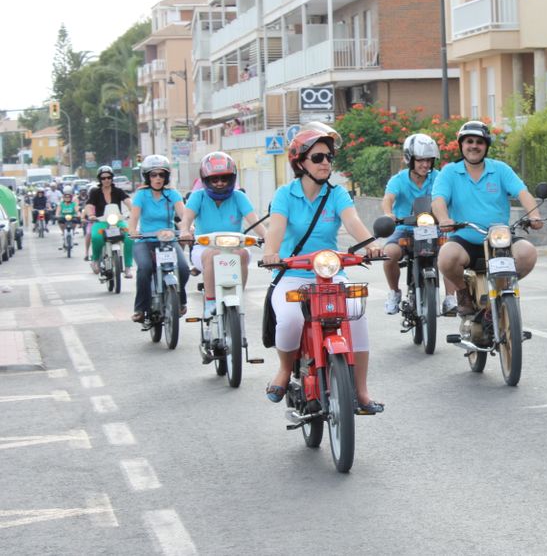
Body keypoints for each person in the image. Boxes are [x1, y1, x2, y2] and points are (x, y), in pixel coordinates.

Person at [261, 127, 385, 413]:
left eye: (329, 157)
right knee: (291, 319)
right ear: (300, 162)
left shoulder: (337, 193)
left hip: (330, 273)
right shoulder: (285, 195)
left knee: (356, 313)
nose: (325, 163)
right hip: (291, 273)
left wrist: (369, 245)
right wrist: (271, 253)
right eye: (317, 157)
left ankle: (362, 391)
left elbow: (352, 221)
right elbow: (276, 227)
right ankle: (283, 369)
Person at [432, 120, 544, 318]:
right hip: (465, 241)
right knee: (446, 257)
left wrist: (534, 215)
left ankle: (501, 292)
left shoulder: (500, 169)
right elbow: (438, 200)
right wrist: (443, 219)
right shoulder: (450, 172)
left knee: (528, 253)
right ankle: (462, 292)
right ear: (461, 145)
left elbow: (522, 193)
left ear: (486, 146)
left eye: (479, 142)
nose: (474, 145)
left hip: (499, 240)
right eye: (469, 141)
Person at [178, 152, 266, 320]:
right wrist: (184, 231)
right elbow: (187, 219)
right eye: (214, 179)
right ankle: (210, 302)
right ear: (206, 180)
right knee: (212, 255)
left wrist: (268, 238)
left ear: (232, 179)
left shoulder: (239, 196)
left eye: (224, 179)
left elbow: (254, 222)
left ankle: (238, 297)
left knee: (241, 254)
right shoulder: (198, 196)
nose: (219, 183)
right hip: (204, 247)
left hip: (235, 246)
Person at [380, 133, 440, 315]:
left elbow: (449, 196)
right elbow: (388, 198)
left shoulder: (439, 177)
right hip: (404, 229)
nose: (426, 165)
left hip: (433, 229)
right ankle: (394, 292)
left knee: (449, 254)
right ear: (409, 159)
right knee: (389, 254)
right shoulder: (398, 180)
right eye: (421, 160)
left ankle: (451, 298)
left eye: (429, 160)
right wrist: (389, 214)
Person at [126, 155, 189, 323]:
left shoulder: (172, 194)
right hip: (144, 240)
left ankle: (181, 301)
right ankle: (140, 308)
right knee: (145, 268)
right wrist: (132, 230)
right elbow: (134, 217)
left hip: (168, 240)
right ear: (147, 177)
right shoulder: (141, 195)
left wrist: (188, 229)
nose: (158, 178)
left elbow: (183, 215)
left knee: (183, 268)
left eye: (161, 175)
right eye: (153, 175)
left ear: (166, 177)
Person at [84, 166, 134, 277]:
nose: (106, 180)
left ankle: (128, 267)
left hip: (118, 221)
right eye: (103, 178)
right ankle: (95, 260)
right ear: (99, 179)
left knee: (130, 237)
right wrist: (91, 215)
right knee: (96, 237)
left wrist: (132, 209)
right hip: (101, 222)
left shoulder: (118, 191)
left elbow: (127, 200)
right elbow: (89, 205)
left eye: (109, 177)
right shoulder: (95, 192)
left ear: (112, 178)